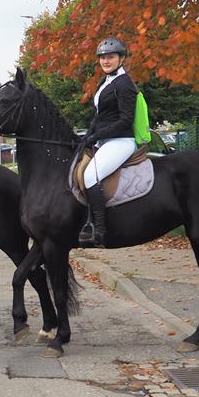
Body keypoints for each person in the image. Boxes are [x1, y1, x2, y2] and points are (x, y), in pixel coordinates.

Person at [79, 37, 139, 248]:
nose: (106, 61)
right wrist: (88, 135)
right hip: (105, 140)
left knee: (90, 176)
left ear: (121, 59)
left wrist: (97, 135)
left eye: (110, 57)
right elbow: (100, 115)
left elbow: (126, 120)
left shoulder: (124, 84)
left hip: (120, 141)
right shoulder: (106, 82)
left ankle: (100, 230)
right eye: (103, 57)